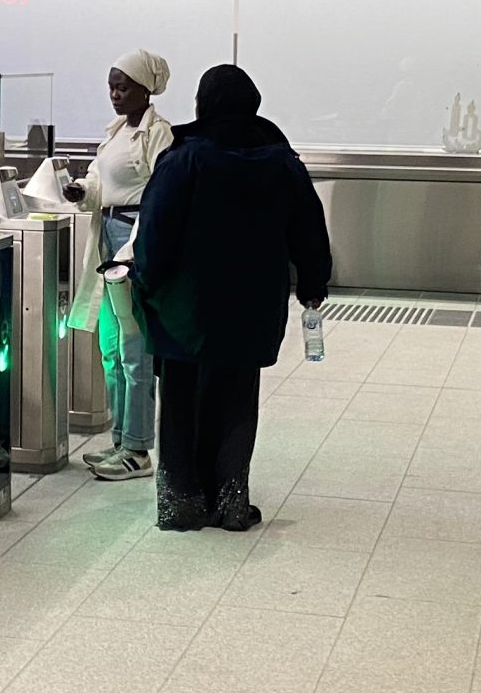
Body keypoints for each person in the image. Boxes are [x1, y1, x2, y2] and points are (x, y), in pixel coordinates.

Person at [131, 63, 329, 531]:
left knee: (181, 401)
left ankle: (182, 504)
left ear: (204, 105)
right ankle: (230, 501)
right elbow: (309, 229)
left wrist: (146, 281)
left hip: (187, 308)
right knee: (237, 400)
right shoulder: (281, 162)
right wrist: (313, 284)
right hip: (252, 305)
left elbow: (156, 232)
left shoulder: (184, 160)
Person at [64, 50, 173, 480]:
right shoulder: (116, 133)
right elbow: (99, 180)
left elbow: (158, 196)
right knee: (111, 349)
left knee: (135, 351)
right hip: (107, 240)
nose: (115, 94)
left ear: (146, 89)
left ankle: (138, 450)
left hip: (132, 245)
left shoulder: (158, 135)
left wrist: (132, 250)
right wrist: (82, 190)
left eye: (123, 87)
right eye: (111, 87)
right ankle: (120, 438)